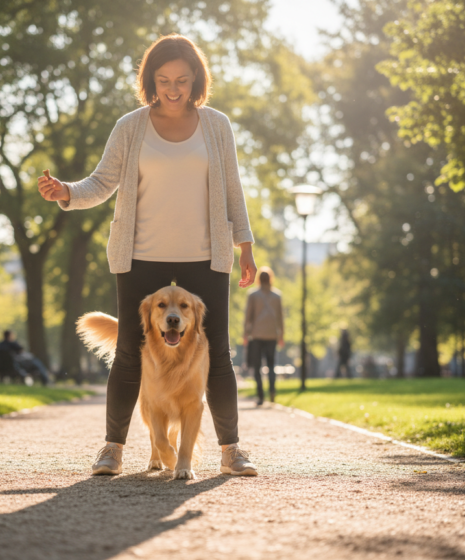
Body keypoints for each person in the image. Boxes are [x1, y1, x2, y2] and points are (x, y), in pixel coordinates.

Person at [38, 34, 259, 477]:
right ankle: (112, 449)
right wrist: (66, 192)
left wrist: (246, 247)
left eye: (181, 79)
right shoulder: (131, 126)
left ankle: (231, 449)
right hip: (140, 257)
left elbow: (233, 190)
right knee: (128, 352)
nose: (173, 89)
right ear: (150, 81)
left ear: (195, 78)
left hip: (204, 257)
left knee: (216, 353)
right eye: (163, 80)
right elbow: (101, 183)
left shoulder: (217, 126)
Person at [244, 267, 284, 405]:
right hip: (272, 335)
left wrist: (245, 334)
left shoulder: (253, 295)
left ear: (259, 279)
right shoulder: (277, 296)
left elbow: (248, 316)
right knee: (271, 366)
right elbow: (280, 318)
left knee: (257, 367)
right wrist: (281, 336)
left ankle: (261, 396)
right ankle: (272, 391)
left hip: (257, 335)